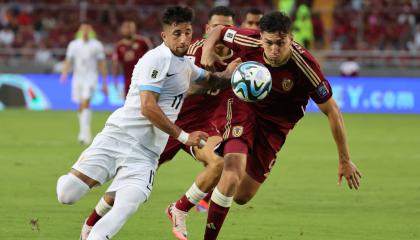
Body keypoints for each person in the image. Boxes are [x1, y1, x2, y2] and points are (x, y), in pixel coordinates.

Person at [56, 6, 239, 240]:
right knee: (67, 195)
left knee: (125, 207)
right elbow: (148, 107)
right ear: (164, 36)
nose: (183, 39)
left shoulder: (187, 65)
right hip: (118, 137)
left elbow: (212, 80)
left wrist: (232, 73)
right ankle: (75, 176)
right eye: (177, 33)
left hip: (145, 155)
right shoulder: (156, 58)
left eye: (187, 32)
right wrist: (184, 136)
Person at [199, 11, 362, 239]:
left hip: (276, 127)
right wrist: (207, 51)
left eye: (280, 43)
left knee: (243, 196)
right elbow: (218, 31)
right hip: (245, 108)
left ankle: (215, 189)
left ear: (291, 39)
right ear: (261, 37)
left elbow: (332, 111)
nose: (273, 50)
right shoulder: (250, 39)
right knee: (233, 170)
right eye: (269, 43)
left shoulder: (305, 67)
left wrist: (344, 159)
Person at [60, 23, 108, 145]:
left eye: (88, 28)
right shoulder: (73, 45)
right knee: (81, 105)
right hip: (77, 79)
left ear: (91, 30)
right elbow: (68, 60)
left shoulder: (97, 45)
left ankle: (83, 134)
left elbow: (101, 63)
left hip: (91, 78)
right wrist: (64, 74)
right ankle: (85, 133)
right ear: (79, 31)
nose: (85, 31)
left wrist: (104, 82)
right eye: (83, 29)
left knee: (85, 102)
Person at [112, 20, 153, 98]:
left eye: (130, 27)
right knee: (128, 103)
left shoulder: (143, 42)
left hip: (143, 78)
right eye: (126, 27)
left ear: (134, 29)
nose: (128, 29)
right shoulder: (119, 46)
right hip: (128, 80)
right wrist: (115, 79)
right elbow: (116, 64)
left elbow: (153, 58)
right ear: (122, 29)